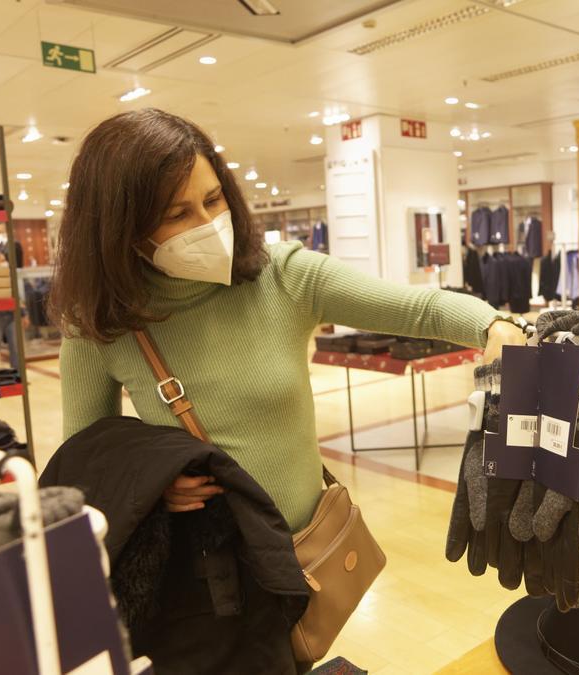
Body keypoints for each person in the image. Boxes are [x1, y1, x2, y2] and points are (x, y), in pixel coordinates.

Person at [52, 109, 526, 668]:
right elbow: (85, 460)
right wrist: (150, 484)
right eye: (177, 213)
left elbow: (415, 306)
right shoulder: (102, 321)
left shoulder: (281, 275)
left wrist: (491, 325)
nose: (207, 224)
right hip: (214, 577)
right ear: (122, 229)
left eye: (213, 199)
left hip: (308, 555)